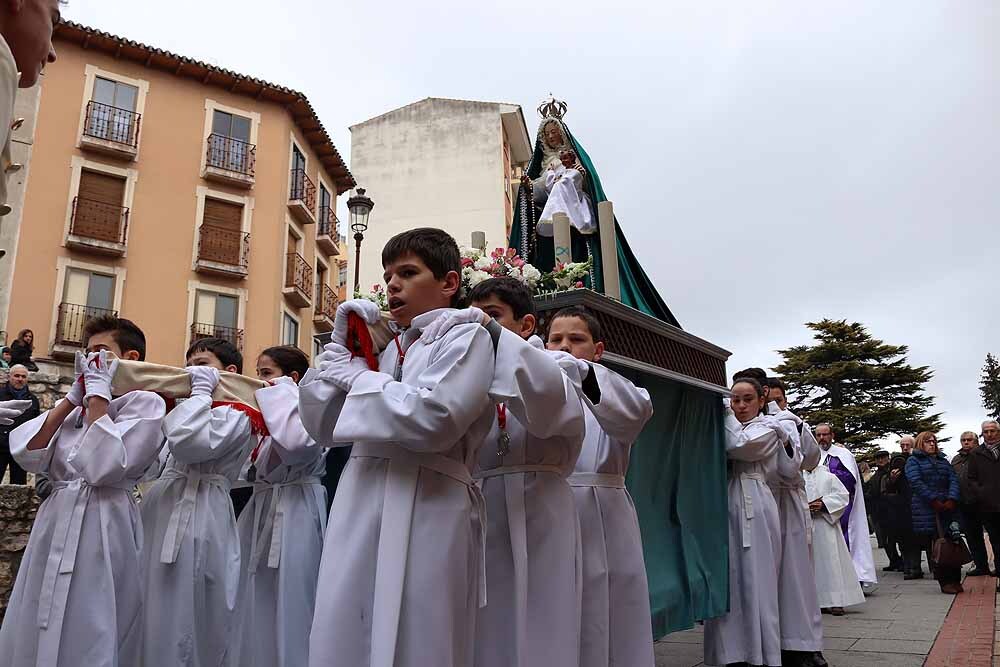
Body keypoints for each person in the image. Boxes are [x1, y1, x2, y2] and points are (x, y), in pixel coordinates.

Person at [298, 228, 497, 667]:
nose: (392, 284)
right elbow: (323, 426)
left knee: (420, 631)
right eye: (388, 274)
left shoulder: (466, 337)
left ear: (448, 283)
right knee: (344, 619)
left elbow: (436, 419)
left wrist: (359, 379)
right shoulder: (386, 348)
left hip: (430, 499)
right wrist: (339, 354)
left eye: (408, 272)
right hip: (362, 497)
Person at [420, 277, 586, 667]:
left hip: (542, 503)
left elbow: (549, 413)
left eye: (491, 316)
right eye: (472, 317)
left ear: (525, 325)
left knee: (546, 614)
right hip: (484, 502)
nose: (478, 326)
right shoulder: (464, 371)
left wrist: (495, 337)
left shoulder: (554, 364)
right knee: (485, 616)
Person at [0, 315, 165, 666]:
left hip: (105, 519)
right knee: (37, 608)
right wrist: (70, 400)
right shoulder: (76, 408)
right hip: (56, 518)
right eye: (87, 353)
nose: (91, 360)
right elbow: (30, 454)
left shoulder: (146, 404)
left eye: (101, 351)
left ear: (130, 358)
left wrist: (99, 398)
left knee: (93, 614)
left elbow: (104, 466)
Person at [545, 305, 656, 667]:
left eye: (576, 340)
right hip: (550, 509)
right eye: (555, 339)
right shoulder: (536, 391)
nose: (564, 347)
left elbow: (634, 413)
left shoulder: (614, 388)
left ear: (597, 349)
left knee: (609, 606)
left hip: (602, 511)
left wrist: (583, 374)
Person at [140, 337, 255, 667]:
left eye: (202, 365)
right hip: (163, 506)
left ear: (229, 372)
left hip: (203, 508)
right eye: (189, 364)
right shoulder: (187, 406)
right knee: (151, 597)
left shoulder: (239, 412)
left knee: (190, 601)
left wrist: (202, 395)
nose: (192, 371)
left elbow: (191, 445)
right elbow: (154, 462)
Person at [233, 345, 327, 667]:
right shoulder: (265, 417)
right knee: (253, 592)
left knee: (292, 594)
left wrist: (281, 395)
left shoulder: (306, 414)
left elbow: (296, 446)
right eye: (258, 374)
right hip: (261, 507)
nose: (261, 383)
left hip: (296, 506)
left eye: (266, 374)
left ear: (293, 378)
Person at [704, 377, 784, 667]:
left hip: (755, 503)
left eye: (747, 399)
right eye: (734, 400)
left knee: (756, 577)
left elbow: (739, 445)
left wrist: (724, 413)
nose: (740, 406)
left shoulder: (769, 428)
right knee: (730, 578)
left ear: (762, 400)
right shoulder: (729, 424)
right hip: (724, 499)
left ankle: (760, 653)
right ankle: (729, 653)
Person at [763, 378, 826, 667]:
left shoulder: (793, 421)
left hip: (788, 503)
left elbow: (810, 459)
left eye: (779, 399)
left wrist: (796, 425)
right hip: (762, 500)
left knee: (797, 576)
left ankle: (803, 643)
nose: (775, 405)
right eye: (769, 400)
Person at [815, 423, 877, 588]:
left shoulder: (843, 454)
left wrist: (828, 476)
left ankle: (850, 579)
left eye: (825, 434)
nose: (822, 438)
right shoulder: (812, 455)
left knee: (844, 540)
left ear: (832, 435)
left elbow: (851, 479)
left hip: (842, 506)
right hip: (819, 506)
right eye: (818, 435)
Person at [905, 432, 963, 594]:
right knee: (939, 545)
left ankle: (955, 579)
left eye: (933, 441)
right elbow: (916, 482)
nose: (932, 444)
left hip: (947, 506)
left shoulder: (943, 460)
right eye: (928, 442)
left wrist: (952, 498)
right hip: (927, 508)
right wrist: (933, 500)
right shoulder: (913, 461)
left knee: (953, 541)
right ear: (920, 444)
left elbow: (953, 479)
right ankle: (945, 581)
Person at [804, 462, 865, 615]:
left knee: (831, 562)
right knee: (810, 563)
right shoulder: (797, 478)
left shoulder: (829, 477)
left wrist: (824, 504)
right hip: (805, 525)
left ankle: (836, 600)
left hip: (826, 526)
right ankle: (817, 601)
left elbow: (843, 496)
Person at [953, 431, 991, 576]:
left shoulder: (983, 456)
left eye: (969, 440)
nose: (966, 442)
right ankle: (981, 566)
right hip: (964, 503)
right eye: (963, 440)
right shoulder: (956, 459)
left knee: (993, 537)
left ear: (976, 441)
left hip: (984, 503)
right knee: (972, 537)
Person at [966, 420, 1000, 577]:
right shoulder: (976, 453)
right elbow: (971, 478)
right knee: (996, 541)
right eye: (986, 431)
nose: (989, 434)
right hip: (988, 505)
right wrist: (982, 492)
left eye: (993, 430)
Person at [536, 148, 595, 237]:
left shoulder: (576, 171)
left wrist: (559, 182)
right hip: (563, 198)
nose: (564, 161)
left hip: (575, 200)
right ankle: (555, 214)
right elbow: (551, 186)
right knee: (558, 186)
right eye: (562, 159)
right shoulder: (563, 173)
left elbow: (568, 181)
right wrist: (551, 172)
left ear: (572, 158)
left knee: (560, 185)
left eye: (566, 158)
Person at [0, 364, 38, 483]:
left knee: (19, 484)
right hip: (0, 446)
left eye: (23, 376)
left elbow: (35, 423)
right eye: (16, 376)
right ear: (9, 377)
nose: (20, 379)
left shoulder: (33, 400)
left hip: (20, 449)